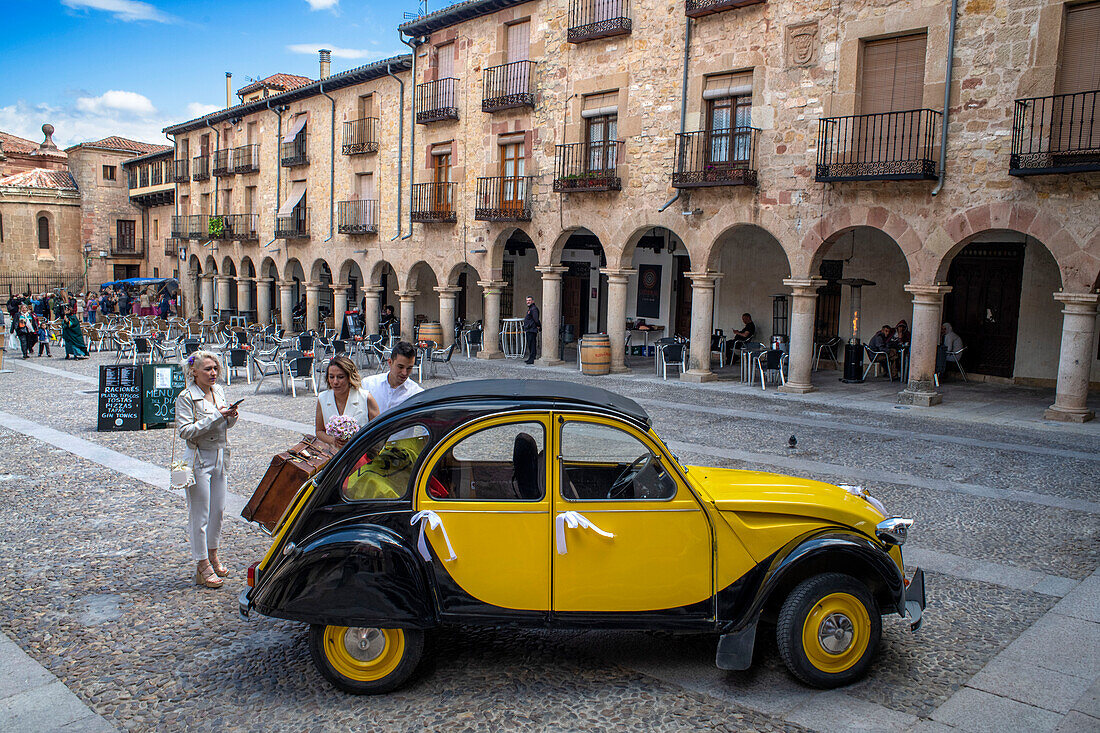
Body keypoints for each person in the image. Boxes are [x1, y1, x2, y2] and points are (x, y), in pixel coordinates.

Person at [176, 351, 238, 589]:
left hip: (221, 455)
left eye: (215, 369)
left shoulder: (218, 391)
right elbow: (185, 431)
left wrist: (231, 416)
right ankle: (202, 563)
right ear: (194, 372)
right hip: (198, 458)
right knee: (199, 514)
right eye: (208, 369)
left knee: (218, 511)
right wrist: (214, 417)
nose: (213, 373)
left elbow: (224, 423)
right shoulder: (186, 397)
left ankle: (213, 554)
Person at [315, 355, 379, 448]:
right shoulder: (322, 398)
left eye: (340, 377)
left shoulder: (365, 397)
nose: (335, 382)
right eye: (331, 377)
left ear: (349, 377)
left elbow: (377, 431)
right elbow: (319, 431)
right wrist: (333, 440)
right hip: (333, 455)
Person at [363, 340, 423, 417]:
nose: (404, 373)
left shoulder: (416, 393)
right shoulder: (368, 384)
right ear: (390, 362)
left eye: (409, 368)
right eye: (400, 367)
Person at [522, 295, 541, 364]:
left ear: (532, 301)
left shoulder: (534, 309)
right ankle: (531, 357)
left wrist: (539, 326)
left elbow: (536, 319)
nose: (528, 302)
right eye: (527, 300)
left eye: (529, 300)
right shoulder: (530, 309)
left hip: (532, 329)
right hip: (529, 329)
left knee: (532, 344)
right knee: (530, 344)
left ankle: (532, 358)